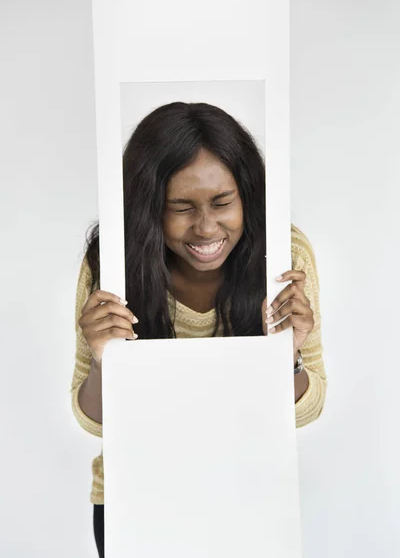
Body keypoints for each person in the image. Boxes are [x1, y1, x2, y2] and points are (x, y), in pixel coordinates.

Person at [70, 102, 327, 558]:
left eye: (223, 203)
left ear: (247, 195)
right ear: (148, 209)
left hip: (251, 494)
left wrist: (289, 354)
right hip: (134, 498)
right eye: (181, 208)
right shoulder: (112, 265)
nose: (206, 227)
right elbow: (93, 421)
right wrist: (101, 357)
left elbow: (306, 412)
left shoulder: (285, 257)